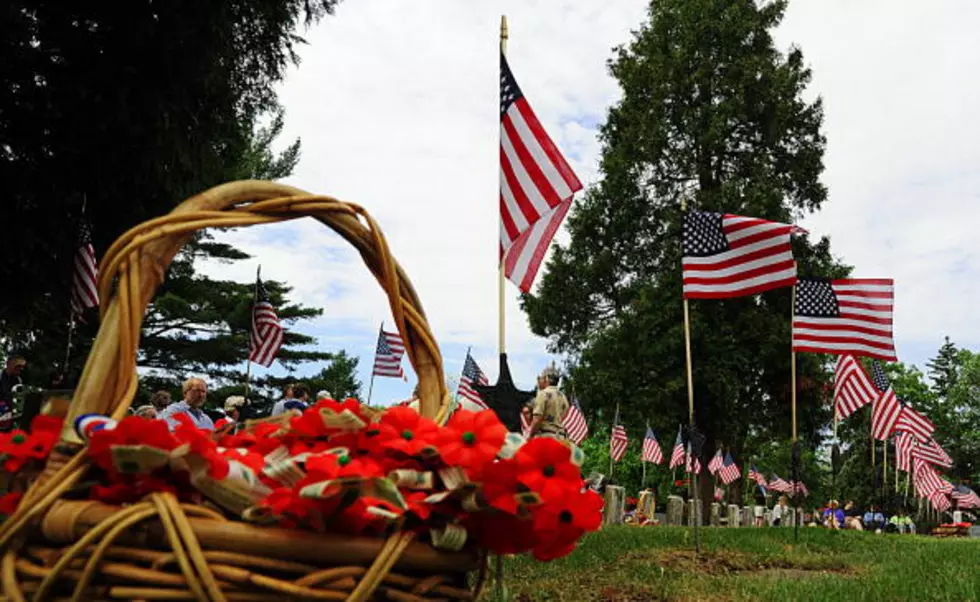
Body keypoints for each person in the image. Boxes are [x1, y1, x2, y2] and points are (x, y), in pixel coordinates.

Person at [526, 364, 569, 439]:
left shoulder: (543, 394)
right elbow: (564, 414)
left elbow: (537, 419)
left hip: (546, 437)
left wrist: (530, 435)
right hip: (561, 438)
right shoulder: (563, 397)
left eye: (541, 378)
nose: (539, 380)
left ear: (546, 379)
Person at [0, 356, 27, 432]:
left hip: (9, 418)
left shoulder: (18, 380)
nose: (21, 368)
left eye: (22, 366)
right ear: (8, 364)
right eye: (18, 366)